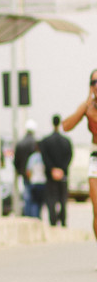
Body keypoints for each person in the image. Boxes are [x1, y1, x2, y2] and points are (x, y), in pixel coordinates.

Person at [62, 70, 97, 240]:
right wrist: (85, 105)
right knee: (96, 208)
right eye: (94, 82)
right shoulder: (87, 107)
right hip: (95, 156)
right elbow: (66, 126)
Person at [39, 114, 73, 227]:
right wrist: (62, 169)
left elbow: (45, 157)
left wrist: (52, 169)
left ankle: (53, 220)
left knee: (51, 199)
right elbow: (69, 156)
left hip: (50, 176)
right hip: (63, 175)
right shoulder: (66, 141)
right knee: (62, 199)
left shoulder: (45, 141)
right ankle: (63, 220)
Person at [13, 120, 39, 217]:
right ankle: (34, 216)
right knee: (34, 198)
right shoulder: (35, 144)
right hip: (35, 175)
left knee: (27, 196)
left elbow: (16, 161)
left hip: (24, 174)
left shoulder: (20, 143)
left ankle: (27, 215)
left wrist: (20, 171)